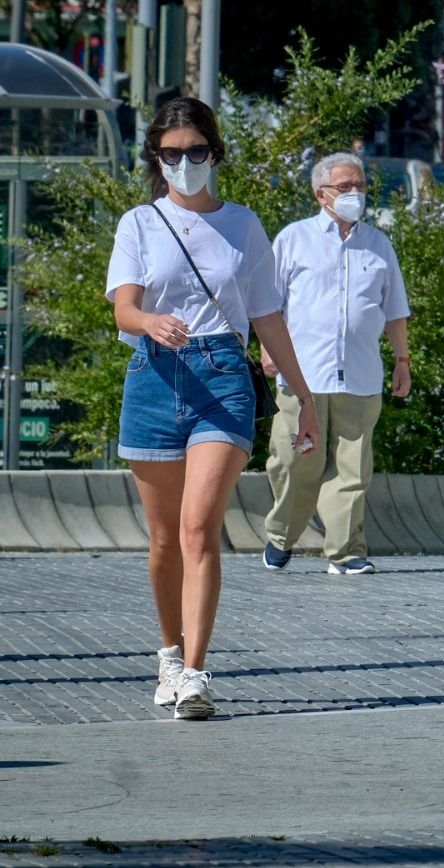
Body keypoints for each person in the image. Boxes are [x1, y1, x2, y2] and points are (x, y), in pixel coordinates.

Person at [107, 97, 322, 719]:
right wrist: (149, 321)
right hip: (154, 376)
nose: (184, 163)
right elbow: (123, 308)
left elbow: (268, 318)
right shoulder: (139, 224)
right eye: (171, 154)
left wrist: (302, 399)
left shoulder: (243, 225)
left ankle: (196, 673)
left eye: (195, 151)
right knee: (163, 540)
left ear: (214, 152)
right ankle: (169, 654)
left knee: (200, 525)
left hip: (223, 373)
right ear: (157, 158)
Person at [260, 152, 411, 576]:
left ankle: (345, 552)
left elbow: (394, 309)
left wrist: (402, 359)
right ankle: (281, 535)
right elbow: (268, 305)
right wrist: (267, 351)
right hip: (301, 377)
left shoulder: (379, 245)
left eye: (360, 186)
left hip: (360, 377)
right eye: (345, 187)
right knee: (293, 462)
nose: (355, 194)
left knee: (352, 471)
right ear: (319, 193)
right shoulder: (293, 239)